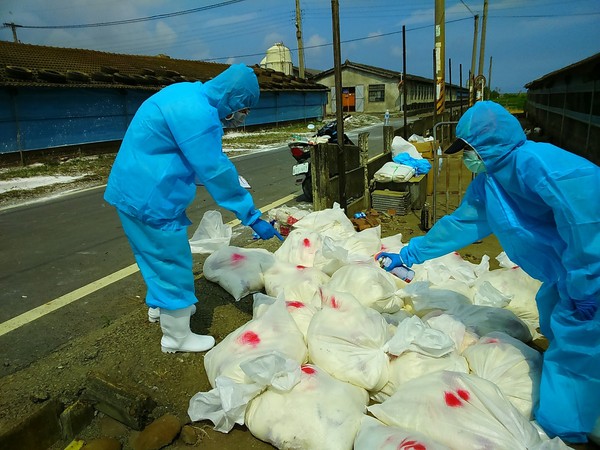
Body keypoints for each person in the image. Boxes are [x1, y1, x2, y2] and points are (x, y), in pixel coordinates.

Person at [378, 100, 600, 444]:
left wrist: (587, 285)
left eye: (469, 150)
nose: (467, 158)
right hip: (564, 274)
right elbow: (462, 224)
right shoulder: (491, 181)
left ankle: (564, 431)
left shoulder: (537, 165)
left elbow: (587, 224)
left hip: (590, 271)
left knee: (576, 345)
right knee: (554, 315)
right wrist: (409, 254)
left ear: (489, 143)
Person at [104, 63, 281, 354]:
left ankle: (160, 310)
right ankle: (176, 337)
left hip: (132, 189)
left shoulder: (185, 93)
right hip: (153, 199)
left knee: (153, 258)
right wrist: (251, 215)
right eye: (244, 109)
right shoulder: (201, 116)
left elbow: (178, 148)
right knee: (173, 262)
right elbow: (214, 169)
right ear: (235, 98)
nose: (240, 116)